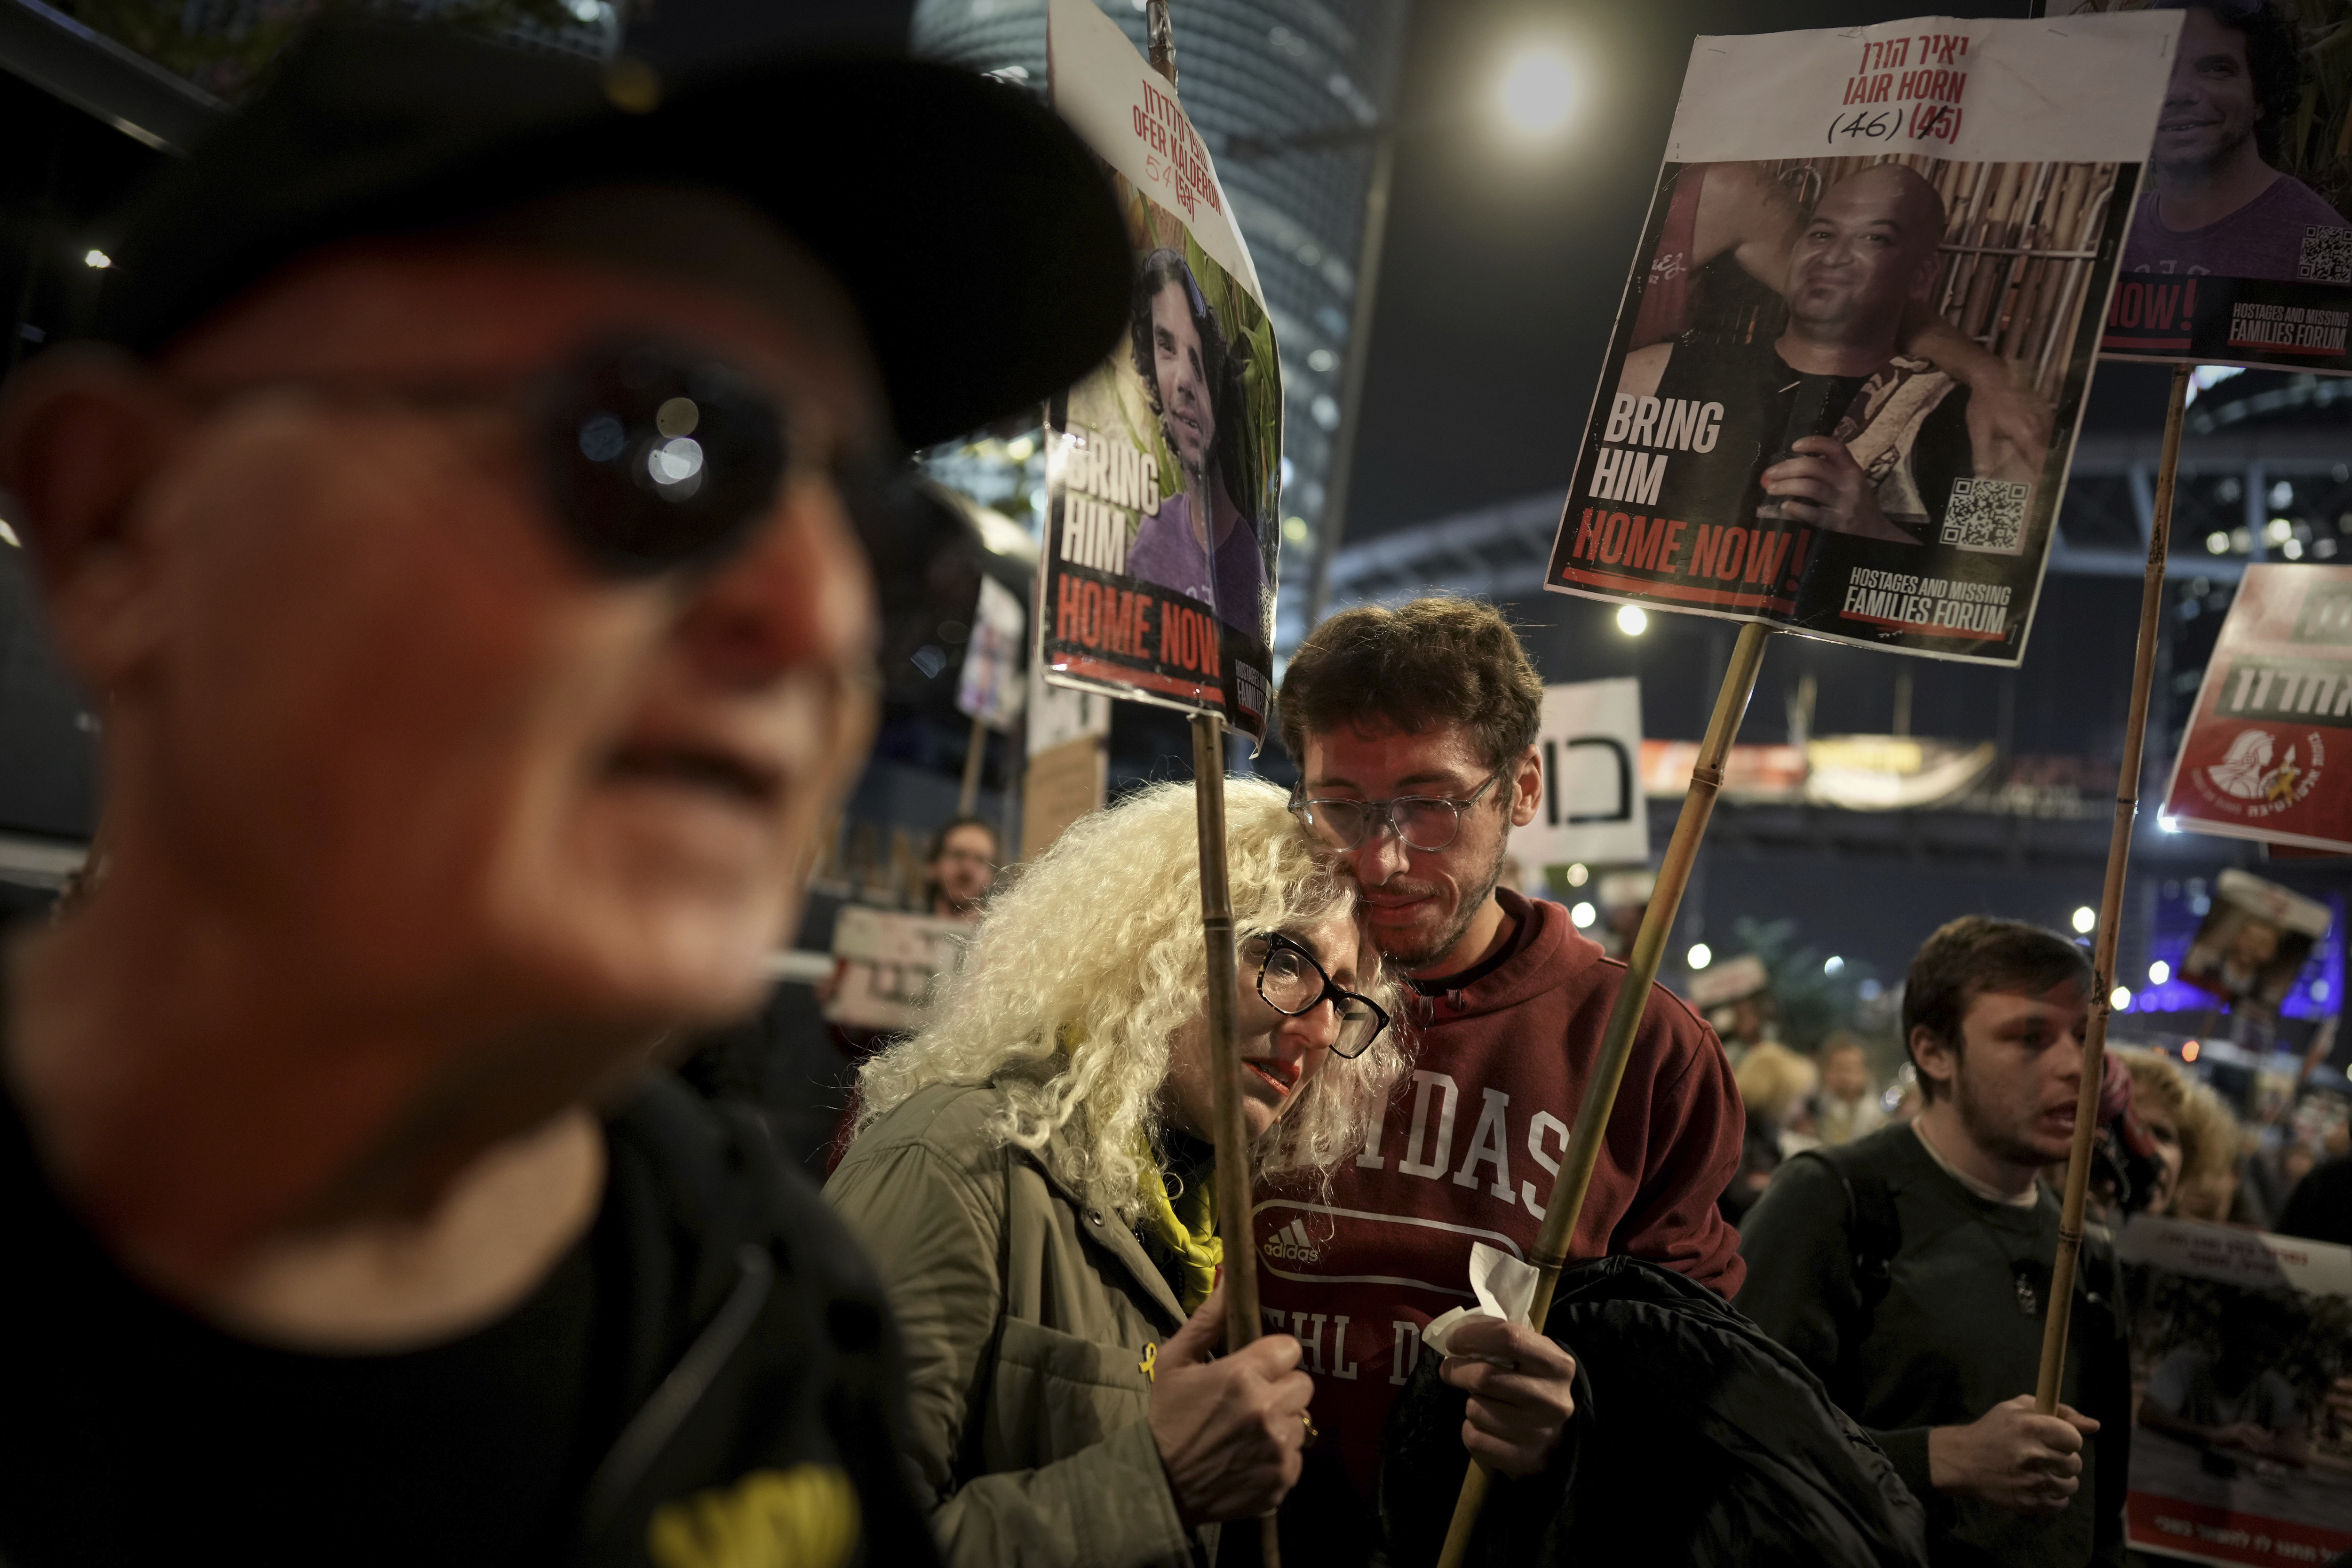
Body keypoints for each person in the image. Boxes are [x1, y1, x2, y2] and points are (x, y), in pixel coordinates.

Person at [0, 19, 1133, 1565]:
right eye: (656, 444)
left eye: (885, 538)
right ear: (120, 522)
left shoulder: (776, 1322)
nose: (816, 618)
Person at [1259, 597, 1743, 1561]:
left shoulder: (1642, 1044)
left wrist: (1579, 1417)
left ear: (1521, 789)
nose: (1381, 856)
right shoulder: (1243, 995)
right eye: (1341, 803)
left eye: (1431, 804)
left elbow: (1698, 1380)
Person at [824, 780, 1408, 1568]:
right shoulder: (951, 1162)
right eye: (1284, 956)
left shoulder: (1209, 1222)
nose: (1316, 1025)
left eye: (1344, 998)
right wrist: (1154, 1482)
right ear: (1157, 945)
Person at [1737, 917, 2131, 1568]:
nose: (2074, 1064)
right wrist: (1944, 1458)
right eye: (2031, 1037)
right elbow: (1736, 1434)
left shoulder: (2088, 1254)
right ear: (1934, 1051)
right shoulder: (1835, 1199)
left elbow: (2103, 1513)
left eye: (2086, 1037)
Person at [1620, 163, 2042, 548]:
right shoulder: (1654, 375)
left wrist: (1873, 531)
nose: (1834, 256)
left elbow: (1988, 588)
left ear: (1921, 276)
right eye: (1821, 234)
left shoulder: (1985, 428)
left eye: (1875, 239)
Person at [2124, 0, 2348, 282]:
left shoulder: (2326, 242)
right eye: (2160, 71)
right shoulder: (2107, 233)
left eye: (2216, 69)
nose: (2178, 93)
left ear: (2260, 97)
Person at [1123, 248, 1267, 637]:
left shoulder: (1252, 563)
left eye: (1196, 356)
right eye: (1166, 347)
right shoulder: (1155, 535)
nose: (1184, 380)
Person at [1818, 1033, 1891, 1146]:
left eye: (1851, 1069)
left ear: (1866, 1072)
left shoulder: (1879, 1118)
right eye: (1839, 1068)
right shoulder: (1814, 1110)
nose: (1845, 1076)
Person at [924, 815, 999, 919]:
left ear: (992, 877)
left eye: (980, 860)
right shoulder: (900, 927)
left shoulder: (1003, 934)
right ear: (933, 866)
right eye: (958, 855)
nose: (968, 868)